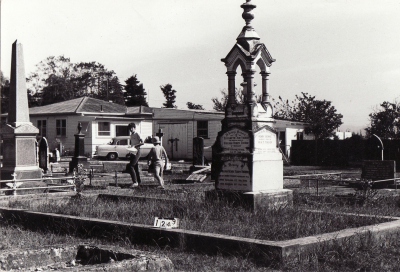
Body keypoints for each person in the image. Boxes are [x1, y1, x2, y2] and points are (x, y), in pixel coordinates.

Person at [127, 123, 143, 187]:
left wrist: (135, 146)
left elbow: (142, 143)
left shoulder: (137, 134)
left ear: (134, 128)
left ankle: (135, 182)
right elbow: (132, 144)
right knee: (135, 167)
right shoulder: (131, 135)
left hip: (137, 151)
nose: (131, 129)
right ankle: (139, 182)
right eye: (130, 128)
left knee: (131, 166)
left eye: (132, 128)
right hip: (133, 151)